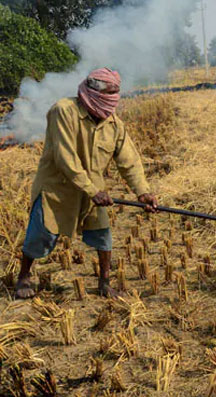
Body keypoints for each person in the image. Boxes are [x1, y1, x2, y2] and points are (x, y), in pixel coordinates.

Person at [14, 68, 158, 299]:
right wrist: (92, 190)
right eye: (107, 95)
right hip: (57, 189)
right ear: (91, 92)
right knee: (40, 234)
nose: (110, 103)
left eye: (114, 95)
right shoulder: (63, 111)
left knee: (103, 237)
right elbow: (65, 157)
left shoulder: (114, 125)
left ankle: (104, 282)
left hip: (93, 192)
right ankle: (23, 277)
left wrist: (143, 193)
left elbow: (129, 161)